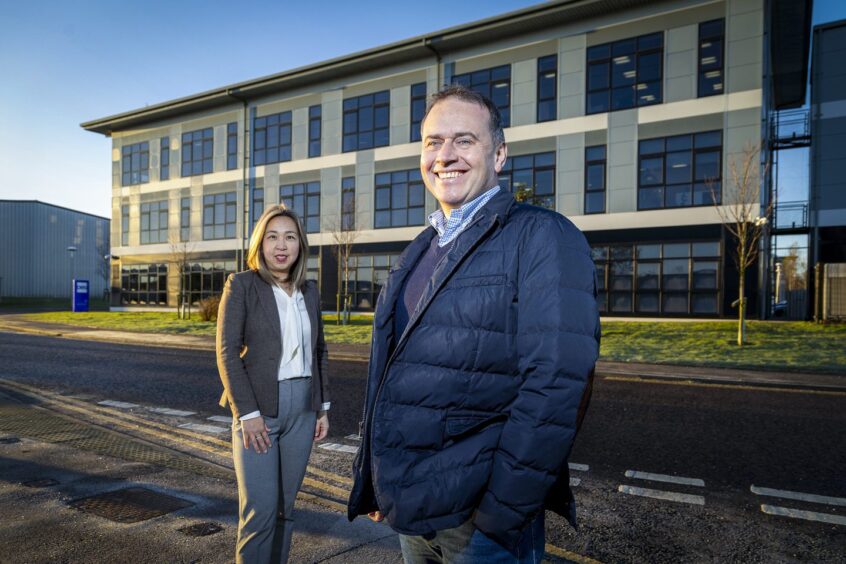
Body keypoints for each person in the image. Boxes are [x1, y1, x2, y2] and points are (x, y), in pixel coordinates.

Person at [347, 84, 600, 563]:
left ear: (499, 154)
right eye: (433, 142)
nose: (446, 156)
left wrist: (501, 519)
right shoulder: (420, 249)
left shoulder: (543, 235)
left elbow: (556, 388)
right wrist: (376, 485)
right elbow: (388, 381)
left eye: (464, 140)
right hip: (414, 512)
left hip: (481, 525)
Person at [217, 205, 331, 563]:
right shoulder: (243, 284)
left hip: (302, 411)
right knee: (260, 513)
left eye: (290, 237)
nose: (281, 245)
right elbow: (226, 351)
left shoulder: (309, 291)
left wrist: (322, 407)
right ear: (260, 243)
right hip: (259, 410)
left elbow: (320, 350)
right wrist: (247, 413)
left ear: (300, 245)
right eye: (272, 236)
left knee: (286, 510)